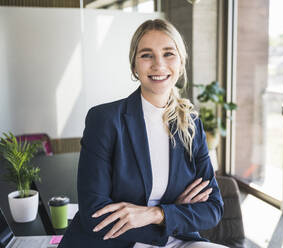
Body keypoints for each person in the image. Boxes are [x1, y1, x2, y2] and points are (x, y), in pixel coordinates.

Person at [58, 19, 226, 248]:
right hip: (116, 242)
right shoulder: (105, 120)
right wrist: (176, 213)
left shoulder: (191, 124)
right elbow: (94, 214)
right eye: (147, 55)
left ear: (181, 62)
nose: (159, 64)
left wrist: (157, 214)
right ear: (134, 67)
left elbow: (213, 208)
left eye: (168, 54)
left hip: (177, 240)